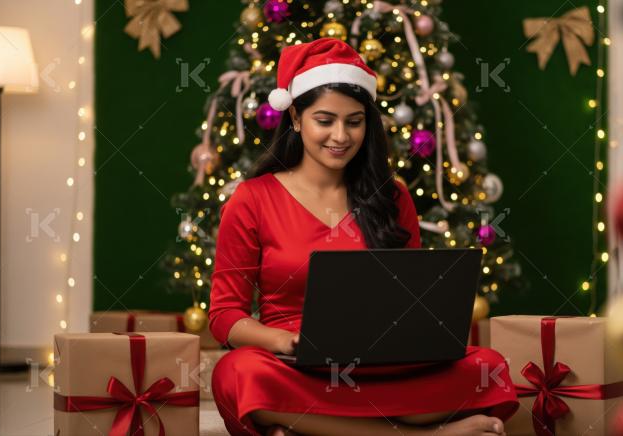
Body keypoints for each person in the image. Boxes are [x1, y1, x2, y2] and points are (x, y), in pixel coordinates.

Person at [209, 37, 518, 436]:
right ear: (296, 118)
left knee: (487, 366)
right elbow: (224, 315)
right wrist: (285, 342)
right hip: (297, 366)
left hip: (387, 365)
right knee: (238, 374)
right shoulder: (252, 199)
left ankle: (317, 428)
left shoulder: (393, 195)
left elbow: (414, 302)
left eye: (354, 122)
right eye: (325, 120)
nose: (341, 136)